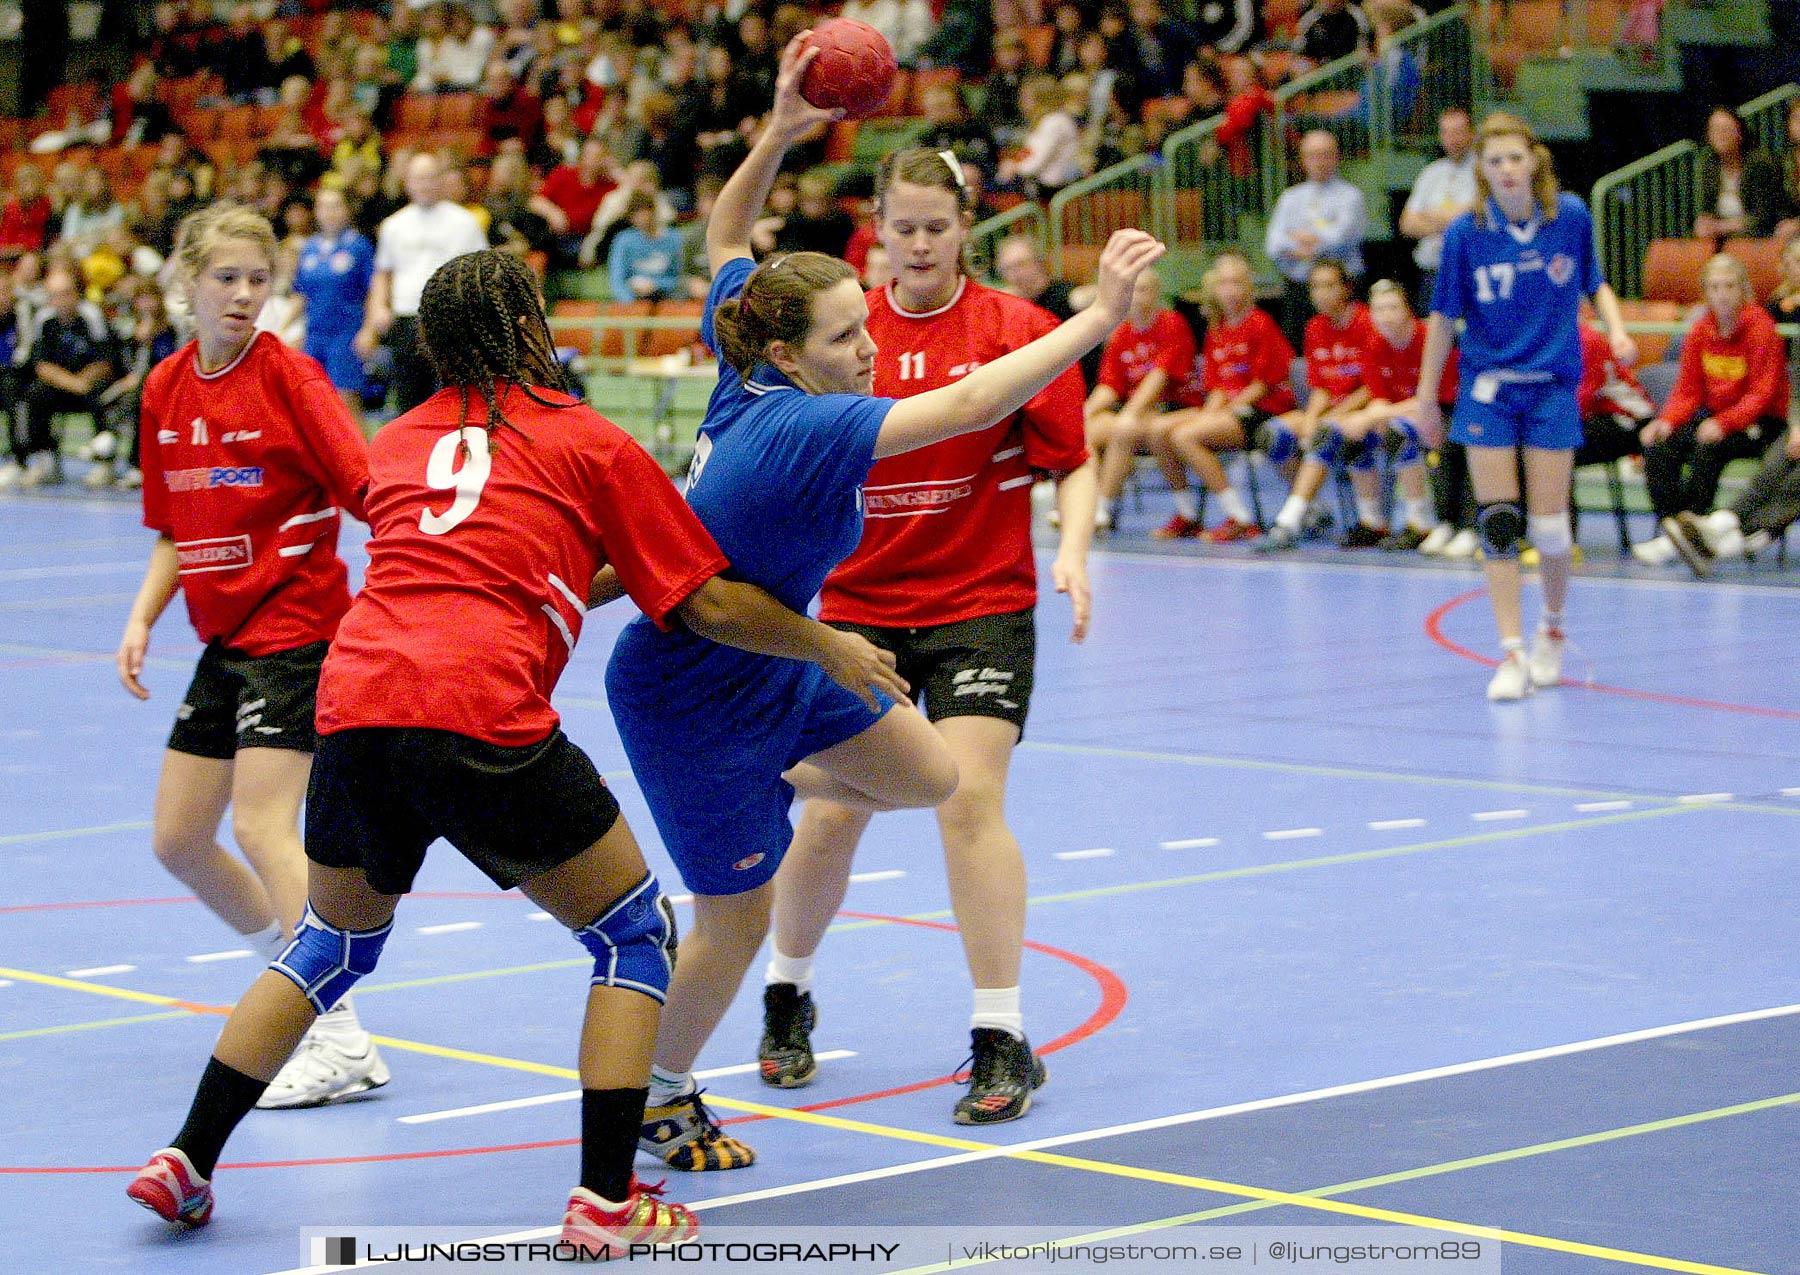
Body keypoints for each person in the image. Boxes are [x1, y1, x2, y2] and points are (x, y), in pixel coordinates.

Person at [124, 245, 914, 1252]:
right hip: (480, 709)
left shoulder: (400, 440)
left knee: (329, 944)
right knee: (633, 935)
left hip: (357, 701)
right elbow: (708, 600)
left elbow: (456, 532)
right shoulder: (586, 439)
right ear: (533, 330)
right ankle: (604, 1202)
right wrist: (826, 646)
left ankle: (184, 1160)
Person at [604, 39, 1161, 1173]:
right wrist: (1100, 317)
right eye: (848, 339)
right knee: (737, 920)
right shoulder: (804, 427)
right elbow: (966, 401)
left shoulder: (747, 356)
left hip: (793, 659)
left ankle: (774, 779)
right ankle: (657, 1096)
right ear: (792, 356)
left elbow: (724, 242)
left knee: (935, 778)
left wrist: (777, 133)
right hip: (694, 687)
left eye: (868, 325)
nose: (871, 349)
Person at [760, 145, 1103, 1128]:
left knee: (969, 796)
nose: (917, 244)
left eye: (937, 227)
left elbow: (1071, 462)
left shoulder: (1014, 331)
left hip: (982, 602)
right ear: (875, 229)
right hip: (860, 608)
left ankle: (1001, 1033)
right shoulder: (839, 336)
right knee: (830, 815)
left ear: (965, 231)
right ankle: (788, 991)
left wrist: (1074, 548)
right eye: (901, 227)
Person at [113, 204, 387, 1113]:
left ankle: (336, 1032)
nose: (241, 295)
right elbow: (171, 530)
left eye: (257, 278)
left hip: (301, 632)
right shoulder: (164, 390)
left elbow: (370, 492)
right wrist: (142, 619)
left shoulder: (293, 380)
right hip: (224, 641)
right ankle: (290, 982)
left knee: (264, 824)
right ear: (185, 282)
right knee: (179, 840)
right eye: (224, 277)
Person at [1413, 112, 1636, 701]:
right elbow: (1442, 318)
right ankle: (1510, 653)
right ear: (1482, 173)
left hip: (1551, 388)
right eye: (1494, 162)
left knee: (1551, 528)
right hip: (1488, 387)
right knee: (1500, 523)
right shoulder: (1466, 234)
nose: (1506, 169)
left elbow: (1596, 282)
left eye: (1514, 158)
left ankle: (1552, 631)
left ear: (1533, 160)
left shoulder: (1571, 217)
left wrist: (1615, 330)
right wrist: (1424, 400)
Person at [1266, 278, 1452, 551]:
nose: (1385, 316)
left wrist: (1372, 416)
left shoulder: (1430, 341)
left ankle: (1420, 523)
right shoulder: (1374, 345)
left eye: (1392, 308)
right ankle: (1371, 521)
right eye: (1379, 310)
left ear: (1408, 310)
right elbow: (1377, 400)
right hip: (1396, 415)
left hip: (1445, 419)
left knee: (1398, 430)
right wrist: (1363, 420)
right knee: (1354, 434)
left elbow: (1432, 402)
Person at [1629, 253, 1787, 565]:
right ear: (1706, 293)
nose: (1722, 294)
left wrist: (1725, 423)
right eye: (1714, 287)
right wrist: (1667, 421)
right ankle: (1674, 530)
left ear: (1743, 290)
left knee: (1708, 448)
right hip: (1715, 414)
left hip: (1760, 420)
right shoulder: (1700, 331)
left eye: (1729, 286)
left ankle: (1690, 532)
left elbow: (1762, 393)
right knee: (1660, 446)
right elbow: (1687, 389)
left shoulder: (1762, 329)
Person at [1152, 250, 1297, 541]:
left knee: (1185, 437)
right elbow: (1217, 387)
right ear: (1214, 288)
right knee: (1158, 430)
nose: (1230, 291)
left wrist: (1220, 414)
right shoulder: (1216, 329)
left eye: (1237, 283)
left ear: (1248, 287)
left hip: (1263, 411)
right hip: (1229, 409)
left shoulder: (1260, 323)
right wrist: (1211, 413)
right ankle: (1188, 513)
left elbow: (1263, 385)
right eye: (1224, 283)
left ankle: (1239, 517)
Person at [1257, 260, 1380, 550]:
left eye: (1329, 285)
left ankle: (1288, 521)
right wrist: (1311, 418)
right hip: (1331, 410)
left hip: (1367, 410)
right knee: (1272, 435)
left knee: (1325, 432)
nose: (1321, 294)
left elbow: (1372, 387)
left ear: (1346, 288)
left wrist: (1328, 418)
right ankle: (1315, 509)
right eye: (1315, 287)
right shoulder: (1315, 327)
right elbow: (1320, 387)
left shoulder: (1367, 321)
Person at [355, 153, 489, 415]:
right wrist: (376, 313)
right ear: (407, 182)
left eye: (430, 177)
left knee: (455, 395)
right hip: (407, 319)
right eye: (418, 178)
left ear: (442, 180)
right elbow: (383, 274)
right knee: (409, 401)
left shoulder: (465, 222)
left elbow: (480, 273)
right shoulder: (394, 225)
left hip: (452, 320)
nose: (425, 185)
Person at [1084, 268, 1198, 533]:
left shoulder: (1172, 323)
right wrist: (1084, 412)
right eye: (1131, 290)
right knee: (1085, 427)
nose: (1136, 297)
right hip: (1138, 414)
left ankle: (1103, 508)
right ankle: (1082, 504)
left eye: (1143, 289)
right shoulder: (1122, 333)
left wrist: (1128, 415)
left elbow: (1158, 380)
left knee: (1124, 428)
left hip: (1173, 408)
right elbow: (1109, 387)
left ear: (1157, 293)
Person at [1265, 130, 1368, 348]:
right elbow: (1274, 245)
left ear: (1336, 157)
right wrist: (1313, 243)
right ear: (1303, 159)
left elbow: (1339, 238)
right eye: (1312, 155)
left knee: (1344, 355)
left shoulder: (1351, 196)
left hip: (1342, 290)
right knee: (1300, 355)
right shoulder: (1290, 197)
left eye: (1325, 154)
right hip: (1300, 291)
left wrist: (1301, 240)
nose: (1319, 162)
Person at [293, 187, 375, 430]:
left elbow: (372, 290)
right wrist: (284, 328)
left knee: (346, 399)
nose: (329, 212)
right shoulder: (309, 248)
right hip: (315, 333)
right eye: (323, 206)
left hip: (346, 332)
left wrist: (369, 330)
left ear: (347, 210)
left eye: (335, 206)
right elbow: (301, 293)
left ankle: (365, 459)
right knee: (312, 400)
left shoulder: (358, 247)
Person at [1399, 106, 1477, 312]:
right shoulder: (1430, 173)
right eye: (1446, 132)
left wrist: (1431, 216)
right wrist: (1454, 218)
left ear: (1472, 133)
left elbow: (1479, 217)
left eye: (1458, 131)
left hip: (1470, 273)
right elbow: (1407, 224)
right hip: (1431, 274)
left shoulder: (1484, 171)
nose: (1453, 139)